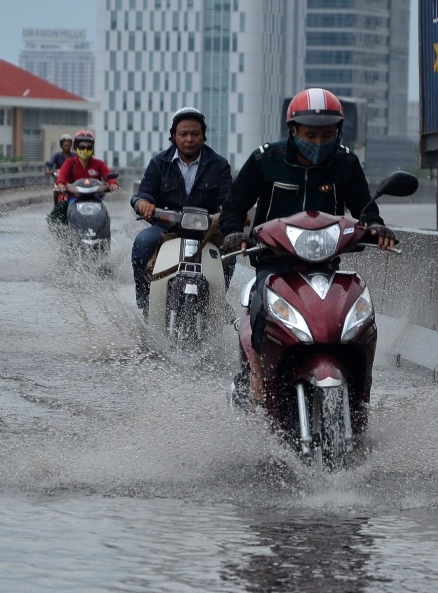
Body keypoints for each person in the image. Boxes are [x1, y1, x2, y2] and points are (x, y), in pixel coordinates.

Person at [218, 87, 397, 405]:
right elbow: (233, 206)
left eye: (327, 135)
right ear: (293, 130)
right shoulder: (265, 159)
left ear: (338, 132)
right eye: (311, 135)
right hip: (273, 262)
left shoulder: (345, 162)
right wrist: (235, 233)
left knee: (355, 316)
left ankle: (360, 388)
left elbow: (364, 207)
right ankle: (258, 372)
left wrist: (376, 227)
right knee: (261, 304)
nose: (318, 143)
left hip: (325, 264)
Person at [130, 106, 232, 316]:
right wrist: (144, 204)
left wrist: (230, 212)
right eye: (183, 134)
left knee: (230, 252)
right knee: (142, 243)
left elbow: (227, 200)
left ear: (203, 136)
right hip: (167, 228)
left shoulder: (220, 165)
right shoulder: (159, 163)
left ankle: (218, 302)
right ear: (173, 136)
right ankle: (146, 302)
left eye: (195, 134)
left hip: (207, 231)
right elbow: (143, 194)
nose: (189, 139)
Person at [48, 130, 120, 224]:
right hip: (74, 198)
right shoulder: (70, 163)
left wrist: (113, 183)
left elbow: (109, 175)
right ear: (76, 147)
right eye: (82, 147)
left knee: (105, 215)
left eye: (89, 147)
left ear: (93, 149)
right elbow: (62, 175)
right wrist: (61, 184)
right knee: (58, 211)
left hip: (96, 199)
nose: (85, 150)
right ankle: (60, 232)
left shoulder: (99, 164)